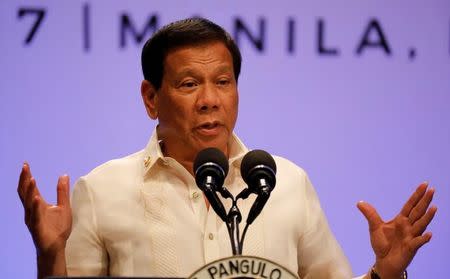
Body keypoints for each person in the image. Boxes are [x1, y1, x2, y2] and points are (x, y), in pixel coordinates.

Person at [17, 18, 436, 279]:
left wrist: (385, 272)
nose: (210, 100)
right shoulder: (102, 190)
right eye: (188, 84)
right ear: (150, 98)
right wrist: (50, 256)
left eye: (223, 81)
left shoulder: (286, 182)